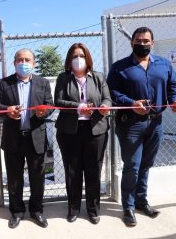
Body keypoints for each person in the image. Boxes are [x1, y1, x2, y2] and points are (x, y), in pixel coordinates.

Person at [107, 27, 176, 227]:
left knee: (146, 165)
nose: (142, 44)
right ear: (131, 43)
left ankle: (141, 202)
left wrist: (175, 100)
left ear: (153, 42)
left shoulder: (164, 64)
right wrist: (131, 103)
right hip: (130, 124)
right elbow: (111, 93)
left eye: (146, 41)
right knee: (132, 166)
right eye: (138, 41)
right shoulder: (119, 67)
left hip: (156, 123)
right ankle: (128, 207)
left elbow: (173, 86)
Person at [0, 48, 53, 229]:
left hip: (36, 137)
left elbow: (50, 104)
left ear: (33, 64)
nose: (24, 63)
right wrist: (7, 110)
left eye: (27, 60)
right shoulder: (5, 83)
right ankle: (17, 212)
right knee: (14, 178)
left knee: (37, 177)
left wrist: (45, 111)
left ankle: (36, 210)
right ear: (14, 63)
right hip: (13, 138)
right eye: (20, 60)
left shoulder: (42, 83)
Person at [54, 43, 111, 225]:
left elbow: (107, 98)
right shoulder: (63, 78)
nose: (78, 59)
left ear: (88, 58)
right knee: (73, 171)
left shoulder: (98, 77)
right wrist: (79, 107)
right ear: (69, 60)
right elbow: (59, 101)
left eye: (81, 56)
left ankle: (93, 210)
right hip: (70, 131)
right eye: (74, 56)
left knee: (94, 171)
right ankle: (74, 209)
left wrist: (104, 107)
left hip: (96, 130)